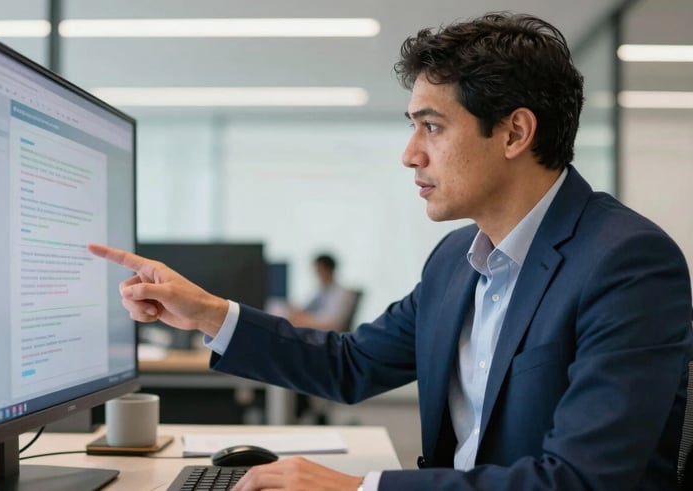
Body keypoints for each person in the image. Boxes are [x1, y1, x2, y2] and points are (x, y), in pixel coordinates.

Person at [88, 12, 693, 491]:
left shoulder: (627, 263)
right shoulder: (458, 259)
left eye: (431, 126)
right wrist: (207, 313)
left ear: (514, 133)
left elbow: (583, 481)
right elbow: (352, 364)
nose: (409, 153)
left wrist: (358, 489)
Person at [286, 253, 356, 332]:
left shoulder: (341, 294)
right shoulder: (322, 291)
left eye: (318, 270)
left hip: (327, 334)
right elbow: (308, 309)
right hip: (318, 331)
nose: (316, 274)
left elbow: (331, 324)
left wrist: (300, 319)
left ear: (328, 270)